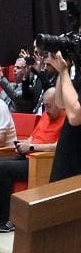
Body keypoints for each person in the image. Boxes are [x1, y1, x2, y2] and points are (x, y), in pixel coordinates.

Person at [0, 87, 65, 231]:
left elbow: (58, 147)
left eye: (49, 106)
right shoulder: (46, 115)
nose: (46, 110)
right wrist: (23, 144)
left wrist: (31, 147)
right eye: (44, 106)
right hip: (28, 155)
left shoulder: (67, 119)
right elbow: (33, 136)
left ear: (59, 103)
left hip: (42, 162)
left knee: (2, 169)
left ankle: (9, 218)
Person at [46, 51, 81, 183]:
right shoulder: (78, 72)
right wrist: (63, 70)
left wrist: (64, 71)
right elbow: (60, 102)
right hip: (67, 151)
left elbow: (75, 117)